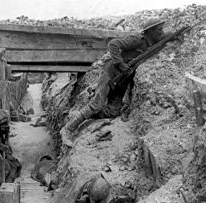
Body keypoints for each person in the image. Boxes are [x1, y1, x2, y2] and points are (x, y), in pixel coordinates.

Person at [61, 18, 177, 146]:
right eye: (158, 30)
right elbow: (113, 44)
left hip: (121, 80)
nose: (161, 32)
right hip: (110, 73)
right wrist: (120, 63)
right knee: (97, 104)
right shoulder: (137, 40)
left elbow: (166, 36)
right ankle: (68, 129)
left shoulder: (153, 42)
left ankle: (86, 113)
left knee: (113, 111)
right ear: (150, 31)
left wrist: (177, 34)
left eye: (161, 29)